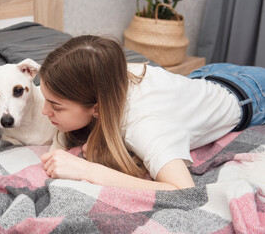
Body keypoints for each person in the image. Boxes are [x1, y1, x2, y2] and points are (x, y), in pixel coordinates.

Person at [39, 35, 265, 190]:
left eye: (55, 106)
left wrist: (87, 170)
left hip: (253, 94)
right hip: (209, 75)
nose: (43, 111)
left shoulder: (145, 127)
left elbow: (181, 189)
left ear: (96, 107)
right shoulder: (107, 71)